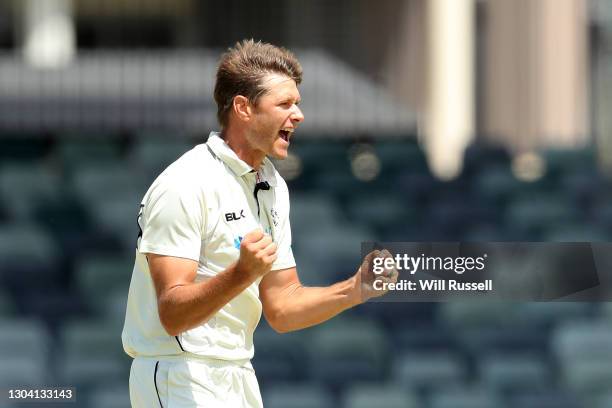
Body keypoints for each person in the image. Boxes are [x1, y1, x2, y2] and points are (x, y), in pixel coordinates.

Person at [122, 39, 397, 408]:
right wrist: (241, 273)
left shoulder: (273, 186)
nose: (298, 115)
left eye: (297, 103)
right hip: (179, 374)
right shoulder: (185, 182)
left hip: (237, 373)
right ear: (243, 108)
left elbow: (282, 307)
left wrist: (355, 289)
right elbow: (171, 313)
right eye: (285, 104)